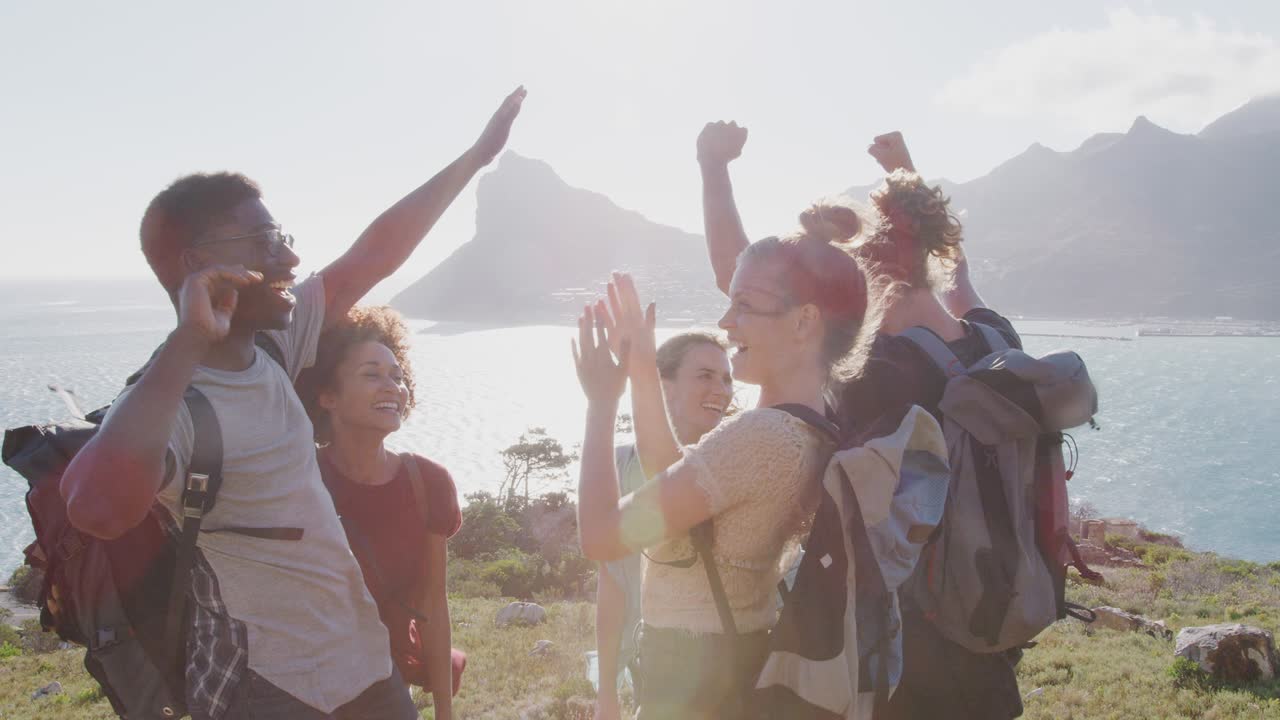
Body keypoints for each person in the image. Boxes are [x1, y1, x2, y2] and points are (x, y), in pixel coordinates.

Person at [59, 87, 524, 720]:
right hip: (272, 691)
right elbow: (95, 506)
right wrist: (190, 338)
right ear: (199, 265)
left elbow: (372, 256)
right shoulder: (175, 402)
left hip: (366, 668)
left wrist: (474, 159)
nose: (290, 257)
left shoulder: (275, 343)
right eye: (265, 242)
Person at [698, 123, 1025, 719]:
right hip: (989, 617)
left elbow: (741, 284)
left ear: (870, 270)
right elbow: (960, 274)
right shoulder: (992, 339)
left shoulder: (876, 372)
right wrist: (907, 179)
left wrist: (713, 169)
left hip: (907, 633)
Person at [573, 232, 869, 719]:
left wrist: (601, 402)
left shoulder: (764, 437)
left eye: (745, 305)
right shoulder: (811, 426)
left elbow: (602, 538)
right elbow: (679, 477)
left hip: (695, 682)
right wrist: (643, 368)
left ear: (804, 320)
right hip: (735, 666)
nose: (725, 322)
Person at [296, 305, 465, 720]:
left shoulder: (428, 483)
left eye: (397, 375)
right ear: (327, 396)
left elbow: (432, 605)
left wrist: (444, 712)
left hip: (385, 686)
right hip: (304, 686)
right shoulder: (298, 482)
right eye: (372, 374)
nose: (392, 386)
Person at [593, 331, 734, 720]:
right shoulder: (623, 466)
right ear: (662, 386)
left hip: (736, 668)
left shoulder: (734, 457)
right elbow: (613, 582)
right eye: (705, 375)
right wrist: (606, 692)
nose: (721, 389)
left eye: (726, 378)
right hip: (657, 668)